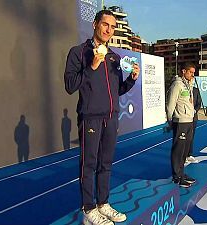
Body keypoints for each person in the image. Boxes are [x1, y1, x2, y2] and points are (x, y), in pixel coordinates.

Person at [64, 10, 140, 225]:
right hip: (90, 117)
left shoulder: (114, 57)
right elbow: (70, 86)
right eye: (105, 24)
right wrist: (93, 65)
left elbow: (117, 90)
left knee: (106, 163)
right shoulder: (78, 52)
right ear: (95, 24)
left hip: (111, 117)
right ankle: (89, 208)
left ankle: (103, 204)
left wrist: (132, 79)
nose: (109, 30)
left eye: (113, 27)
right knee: (89, 164)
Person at [166, 62, 197, 188]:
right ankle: (176, 177)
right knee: (178, 149)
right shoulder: (177, 85)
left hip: (189, 120)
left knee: (185, 150)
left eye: (194, 73)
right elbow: (170, 104)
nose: (192, 75)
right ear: (183, 71)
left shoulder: (187, 85)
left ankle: (181, 173)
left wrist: (191, 83)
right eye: (190, 72)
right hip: (180, 121)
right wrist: (170, 121)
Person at [185, 79, 202, 164]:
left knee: (191, 137)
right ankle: (182, 156)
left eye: (192, 81)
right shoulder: (183, 89)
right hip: (184, 117)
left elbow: (199, 103)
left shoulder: (195, 90)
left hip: (193, 117)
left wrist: (195, 110)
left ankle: (189, 154)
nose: (190, 82)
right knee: (184, 138)